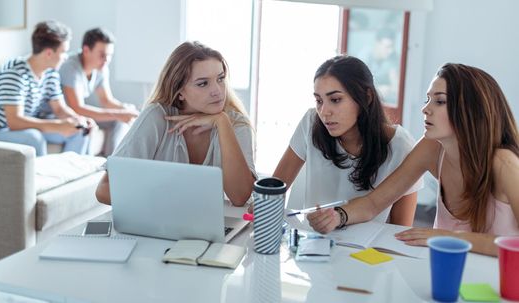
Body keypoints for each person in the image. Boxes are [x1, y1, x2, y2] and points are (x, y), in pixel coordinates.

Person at [308, 63, 519, 256]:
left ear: (470, 109)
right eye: (428, 99)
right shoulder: (431, 148)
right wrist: (338, 216)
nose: (425, 108)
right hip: (446, 270)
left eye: (440, 101)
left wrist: (449, 238)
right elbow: (374, 203)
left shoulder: (503, 163)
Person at [95, 41, 256, 206]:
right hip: (157, 221)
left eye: (220, 79)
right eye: (203, 83)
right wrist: (163, 206)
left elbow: (240, 196)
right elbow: (105, 189)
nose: (217, 90)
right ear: (180, 93)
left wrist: (222, 122)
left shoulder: (235, 124)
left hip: (211, 226)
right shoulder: (157, 117)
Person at [274, 55, 422, 225]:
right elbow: (274, 188)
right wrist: (261, 205)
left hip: (366, 250)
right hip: (314, 244)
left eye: (335, 100)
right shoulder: (311, 122)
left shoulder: (400, 146)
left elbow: (400, 231)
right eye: (319, 100)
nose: (324, 112)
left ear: (366, 97)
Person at [0, 21, 94, 157]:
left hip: (22, 127)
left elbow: (59, 109)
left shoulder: (50, 72)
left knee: (79, 131)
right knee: (34, 137)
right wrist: (58, 125)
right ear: (49, 53)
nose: (66, 57)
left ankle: (72, 174)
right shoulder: (14, 74)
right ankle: (42, 178)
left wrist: (79, 120)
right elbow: (15, 122)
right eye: (64, 52)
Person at [59, 28, 139, 156]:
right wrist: (119, 114)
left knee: (121, 120)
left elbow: (106, 100)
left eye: (110, 55)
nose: (106, 60)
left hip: (77, 114)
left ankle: (113, 162)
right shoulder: (71, 68)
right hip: (64, 115)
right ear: (86, 50)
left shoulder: (101, 67)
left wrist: (126, 109)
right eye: (102, 55)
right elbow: (78, 108)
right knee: (119, 117)